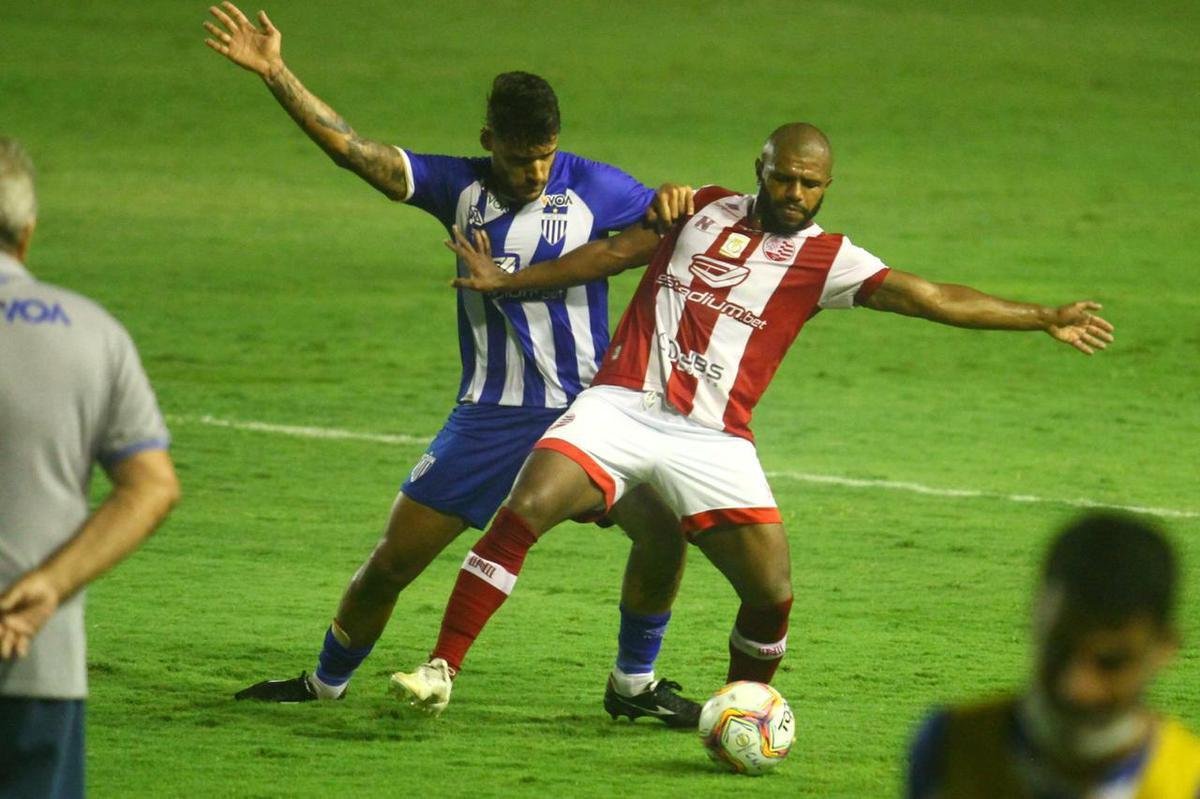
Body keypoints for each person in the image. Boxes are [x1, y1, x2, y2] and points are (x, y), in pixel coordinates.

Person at [390, 122, 1116, 714]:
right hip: (618, 406)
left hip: (712, 438)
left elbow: (930, 297)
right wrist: (508, 281)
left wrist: (1040, 316)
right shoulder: (697, 207)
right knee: (526, 508)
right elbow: (609, 254)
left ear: (826, 187)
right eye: (783, 177)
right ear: (759, 169)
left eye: (810, 183)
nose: (795, 192)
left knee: (771, 592)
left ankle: (747, 708)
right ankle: (440, 669)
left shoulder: (828, 259)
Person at [203, 2, 701, 725]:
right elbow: (354, 150)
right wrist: (277, 71)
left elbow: (673, 221)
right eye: (517, 156)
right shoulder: (457, 189)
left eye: (544, 155)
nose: (533, 172)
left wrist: (676, 199)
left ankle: (632, 686)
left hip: (589, 416)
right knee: (392, 561)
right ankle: (324, 683)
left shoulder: (593, 186)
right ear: (487, 140)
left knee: (664, 536)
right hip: (489, 419)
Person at [0, 138, 180, 799]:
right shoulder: (90, 332)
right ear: (28, 231)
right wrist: (48, 583)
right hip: (36, 662)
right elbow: (153, 486)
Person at [907, 512, 1200, 798]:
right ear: (1035, 617)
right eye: (1059, 649)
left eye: (1110, 662)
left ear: (1164, 649)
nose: (1076, 687)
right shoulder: (949, 747)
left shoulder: (1189, 784)